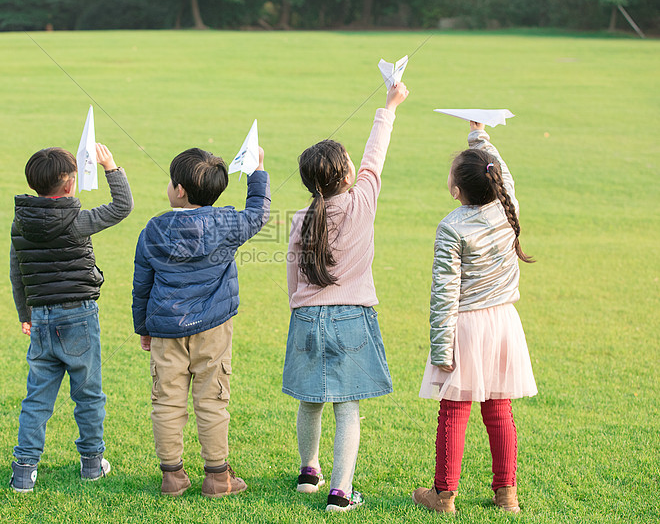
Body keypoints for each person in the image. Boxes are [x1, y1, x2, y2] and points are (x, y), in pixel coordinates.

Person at [282, 82, 409, 512]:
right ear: (347, 176)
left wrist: (298, 308)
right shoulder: (362, 202)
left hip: (306, 318)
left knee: (310, 399)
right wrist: (388, 106)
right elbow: (376, 155)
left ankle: (308, 471)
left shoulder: (301, 217)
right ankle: (340, 491)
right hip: (352, 319)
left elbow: (291, 271)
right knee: (347, 408)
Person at [412, 122, 537, 514]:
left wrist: (440, 348)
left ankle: (444, 495)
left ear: (456, 188)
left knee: (454, 409)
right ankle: (507, 495)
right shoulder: (506, 205)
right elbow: (503, 172)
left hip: (465, 327)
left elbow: (444, 293)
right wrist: (480, 139)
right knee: (499, 410)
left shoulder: (451, 227)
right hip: (503, 324)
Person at [133, 147, 270, 498]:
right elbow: (258, 212)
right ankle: (217, 476)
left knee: (166, 402)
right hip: (214, 329)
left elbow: (142, 284)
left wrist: (143, 327)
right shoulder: (226, 223)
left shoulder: (154, 229)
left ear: (179, 190)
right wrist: (258, 172)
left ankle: (172, 476)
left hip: (165, 329)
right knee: (212, 401)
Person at [8, 144, 133, 492]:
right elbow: (123, 206)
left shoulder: (21, 223)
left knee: (37, 397)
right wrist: (111, 167)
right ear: (69, 184)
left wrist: (25, 312)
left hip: (42, 318)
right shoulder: (77, 220)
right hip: (78, 315)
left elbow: (17, 273)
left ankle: (23, 470)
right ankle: (92, 464)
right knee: (88, 394)